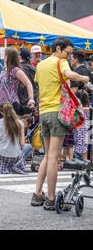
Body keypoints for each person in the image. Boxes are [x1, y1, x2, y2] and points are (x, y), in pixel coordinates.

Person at [31, 37, 90, 211]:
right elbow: (70, 75)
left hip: (44, 113)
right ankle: (50, 198)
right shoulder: (61, 62)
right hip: (58, 112)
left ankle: (38, 193)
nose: (69, 57)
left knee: (47, 154)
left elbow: (39, 85)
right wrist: (83, 78)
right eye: (68, 52)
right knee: (53, 156)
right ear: (58, 48)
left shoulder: (41, 65)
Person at [0, 47, 35, 123]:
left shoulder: (16, 70)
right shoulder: (4, 69)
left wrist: (31, 99)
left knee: (8, 131)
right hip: (0, 105)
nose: (3, 57)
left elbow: (28, 83)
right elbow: (6, 83)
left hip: (10, 105)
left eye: (5, 55)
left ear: (9, 57)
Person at [0, 102, 26, 174]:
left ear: (1, 112)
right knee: (28, 147)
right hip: (16, 157)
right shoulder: (20, 123)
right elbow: (22, 144)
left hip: (1, 155)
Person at [18, 48, 39, 114]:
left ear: (19, 57)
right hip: (33, 101)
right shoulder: (33, 68)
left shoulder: (19, 69)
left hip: (24, 103)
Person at [73, 91, 91, 161]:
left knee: (82, 147)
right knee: (89, 147)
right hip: (89, 128)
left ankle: (84, 163)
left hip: (80, 128)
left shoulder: (77, 108)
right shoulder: (90, 108)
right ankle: (89, 163)